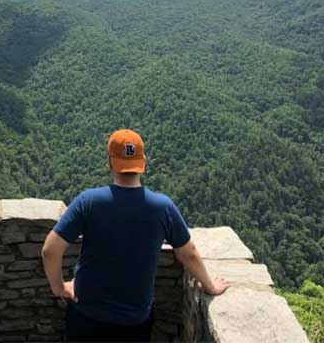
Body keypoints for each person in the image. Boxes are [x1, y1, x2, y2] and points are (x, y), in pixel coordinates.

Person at [41, 129, 231, 342]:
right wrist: (210, 286)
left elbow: (50, 250)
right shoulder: (163, 208)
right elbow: (190, 255)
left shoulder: (88, 202)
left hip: (85, 316)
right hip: (133, 323)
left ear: (111, 162)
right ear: (144, 162)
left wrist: (59, 287)